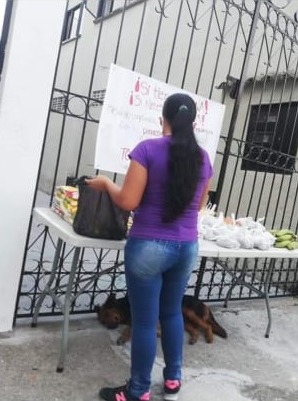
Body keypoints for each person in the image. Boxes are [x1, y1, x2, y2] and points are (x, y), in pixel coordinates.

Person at [88, 93, 212, 401]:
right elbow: (198, 206)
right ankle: (172, 381)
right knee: (171, 314)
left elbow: (128, 201)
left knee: (144, 321)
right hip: (187, 246)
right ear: (193, 122)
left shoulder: (147, 149)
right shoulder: (203, 158)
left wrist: (106, 184)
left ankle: (138, 391)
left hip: (148, 247)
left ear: (163, 119)